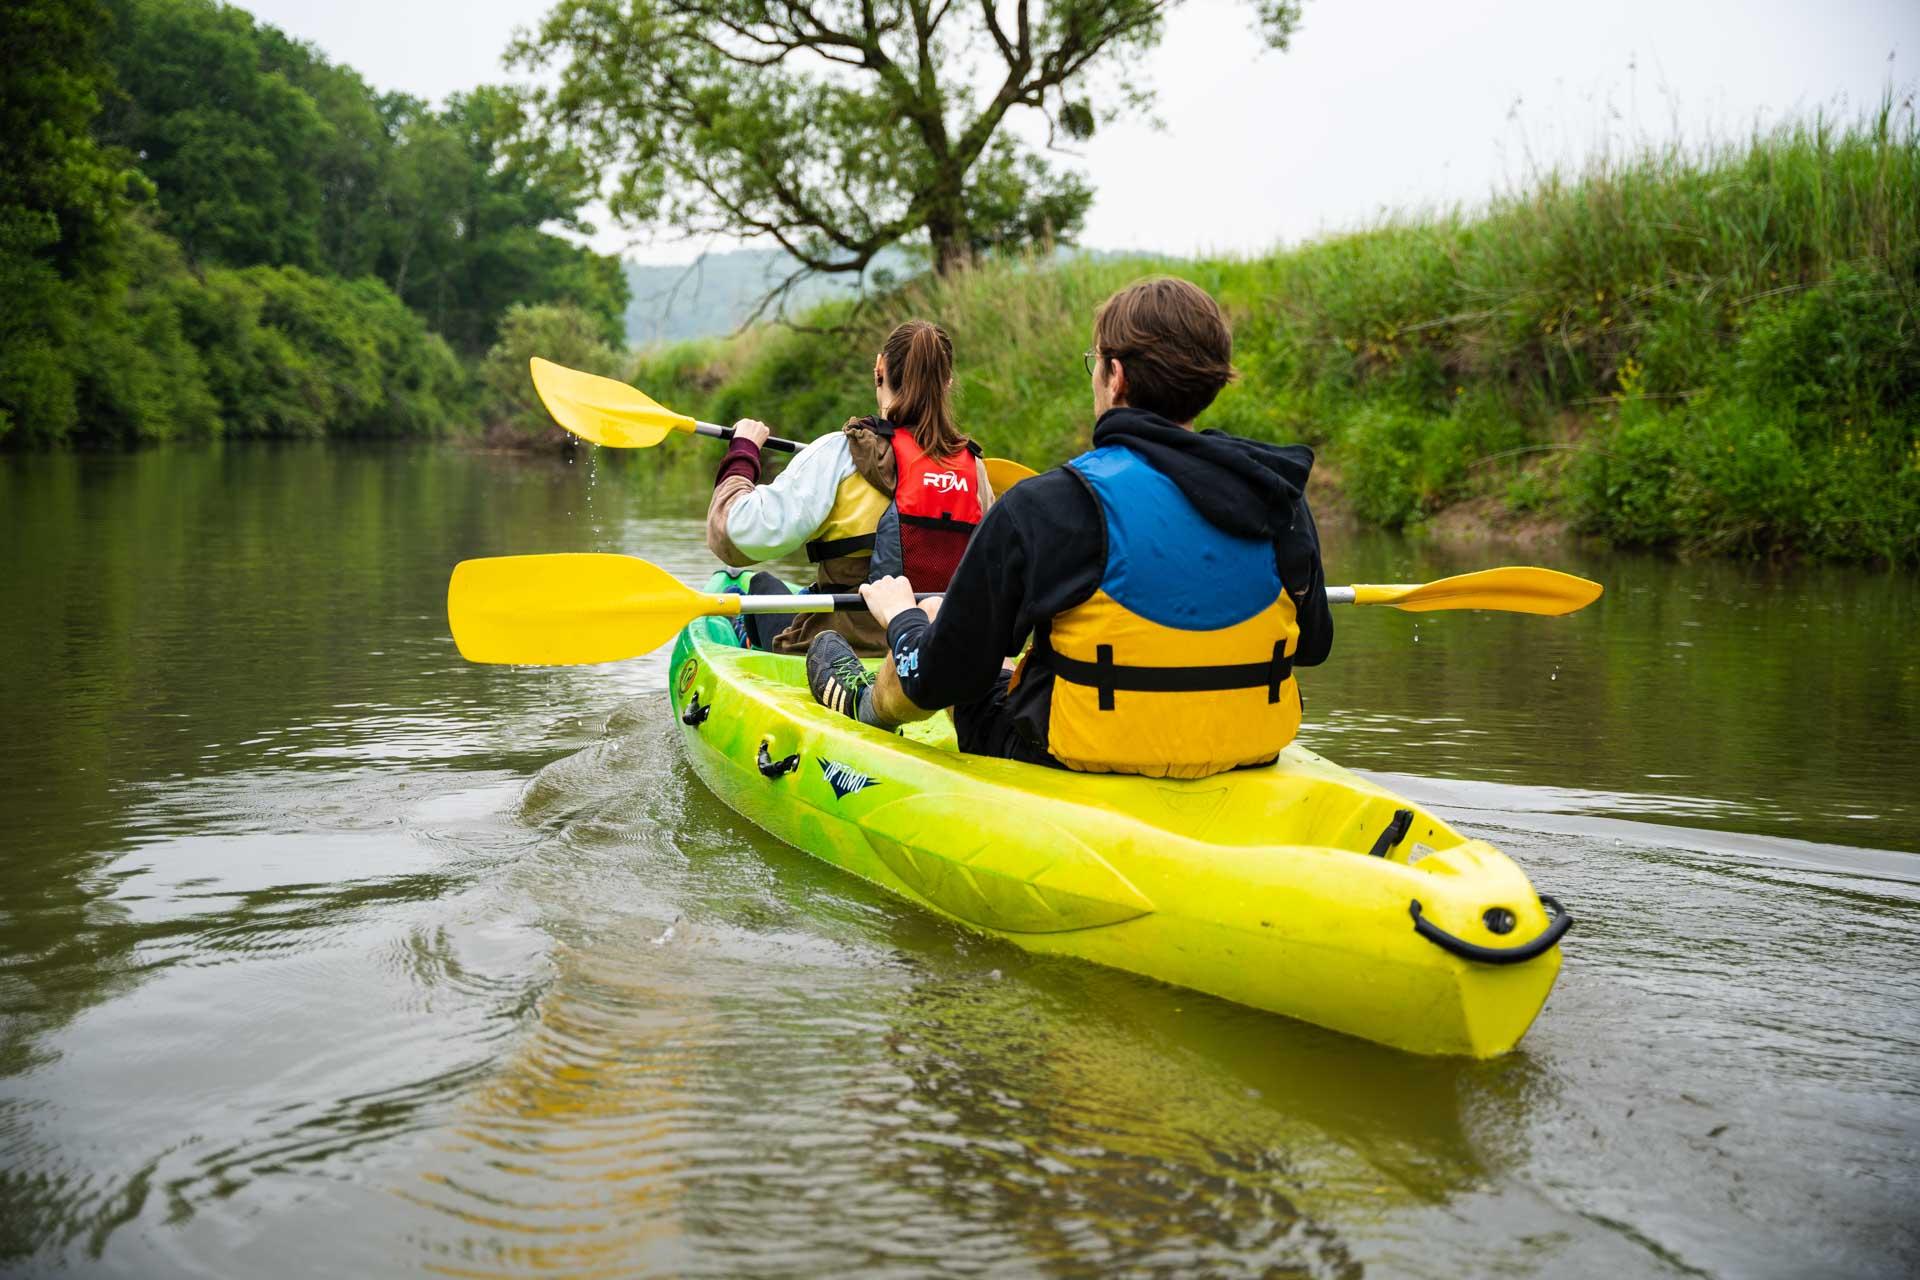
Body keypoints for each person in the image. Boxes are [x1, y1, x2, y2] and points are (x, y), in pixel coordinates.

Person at [806, 277, 1333, 779]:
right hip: (1247, 751)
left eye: (1095, 365)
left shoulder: (1047, 506)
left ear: (1116, 376)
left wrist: (902, 619)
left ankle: (862, 703)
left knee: (956, 654)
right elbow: (1312, 646)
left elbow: (936, 680)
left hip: (1071, 756)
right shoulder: (1277, 496)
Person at [706, 320, 994, 655]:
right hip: (937, 651)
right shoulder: (974, 469)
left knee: (758, 585)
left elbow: (737, 537)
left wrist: (743, 451)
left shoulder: (842, 453)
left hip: (841, 650)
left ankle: (745, 637)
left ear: (879, 369)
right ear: (947, 383)